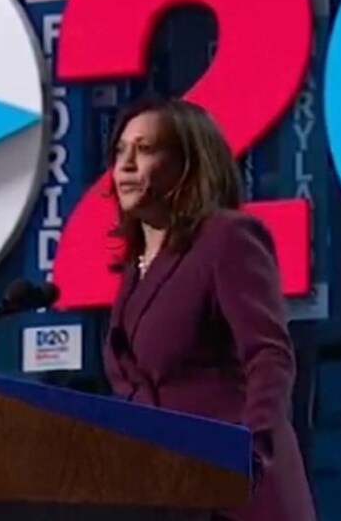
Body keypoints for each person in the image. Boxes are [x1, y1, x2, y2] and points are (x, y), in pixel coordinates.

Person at [101, 96, 317, 521]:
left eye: (145, 150)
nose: (125, 165)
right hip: (168, 487)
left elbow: (269, 356)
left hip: (235, 492)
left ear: (188, 164)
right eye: (120, 151)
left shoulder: (227, 238)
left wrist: (247, 452)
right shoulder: (135, 266)